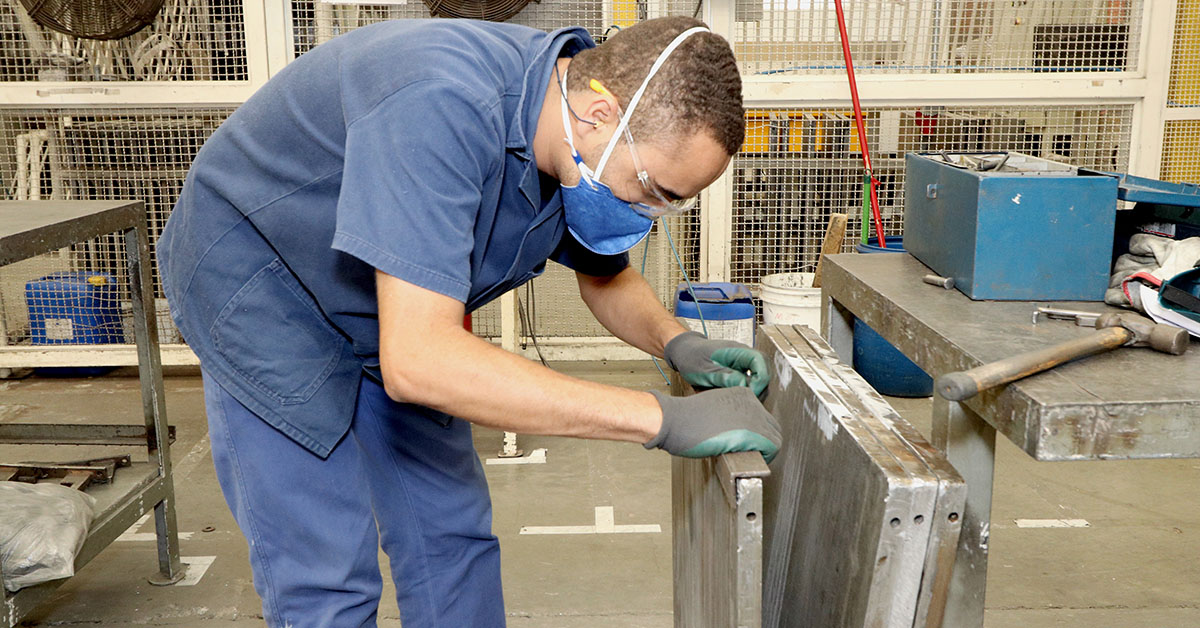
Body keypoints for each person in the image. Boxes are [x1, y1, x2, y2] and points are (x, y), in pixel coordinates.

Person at [159, 14, 781, 628]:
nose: (650, 214)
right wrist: (661, 418)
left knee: (450, 533)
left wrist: (679, 343)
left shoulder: (572, 137)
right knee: (326, 572)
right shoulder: (440, 102)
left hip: (389, 304)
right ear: (602, 113)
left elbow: (606, 275)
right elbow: (420, 361)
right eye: (654, 190)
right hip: (264, 286)